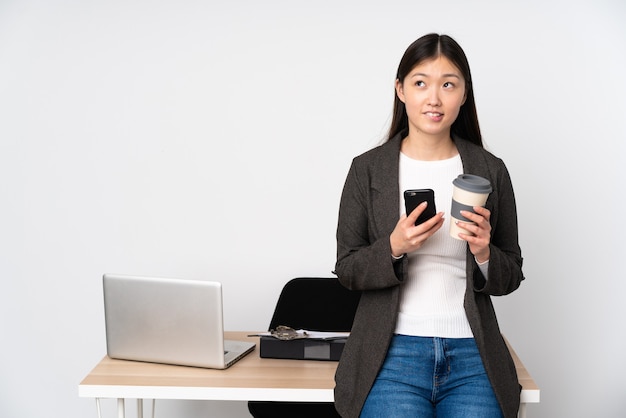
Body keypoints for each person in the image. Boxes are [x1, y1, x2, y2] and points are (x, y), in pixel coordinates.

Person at [333, 33, 525, 418]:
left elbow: (511, 275)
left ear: (464, 94)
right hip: (391, 355)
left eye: (448, 84)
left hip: (474, 357)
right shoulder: (367, 170)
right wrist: (393, 247)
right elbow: (348, 269)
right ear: (400, 89)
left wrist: (485, 253)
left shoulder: (490, 170)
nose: (434, 98)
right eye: (420, 83)